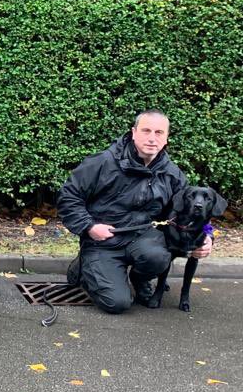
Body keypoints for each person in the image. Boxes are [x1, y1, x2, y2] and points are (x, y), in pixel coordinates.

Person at [57, 109, 212, 314]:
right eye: (146, 131)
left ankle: (139, 279)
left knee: (159, 256)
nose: (151, 138)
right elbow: (68, 197)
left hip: (144, 238)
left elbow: (187, 211)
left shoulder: (173, 175)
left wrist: (208, 235)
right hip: (103, 241)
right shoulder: (102, 163)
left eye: (159, 133)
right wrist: (90, 226)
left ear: (166, 138)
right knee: (117, 303)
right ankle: (84, 268)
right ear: (133, 132)